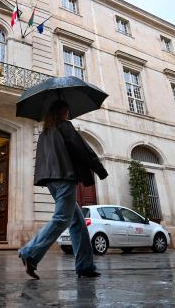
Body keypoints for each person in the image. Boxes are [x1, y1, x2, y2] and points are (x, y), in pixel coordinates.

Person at [18, 99, 108, 279]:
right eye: (67, 110)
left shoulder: (45, 131)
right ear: (62, 111)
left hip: (51, 180)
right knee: (61, 219)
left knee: (77, 222)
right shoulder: (64, 126)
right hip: (64, 177)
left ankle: (85, 266)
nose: (69, 113)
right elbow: (82, 149)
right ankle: (30, 253)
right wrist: (100, 169)